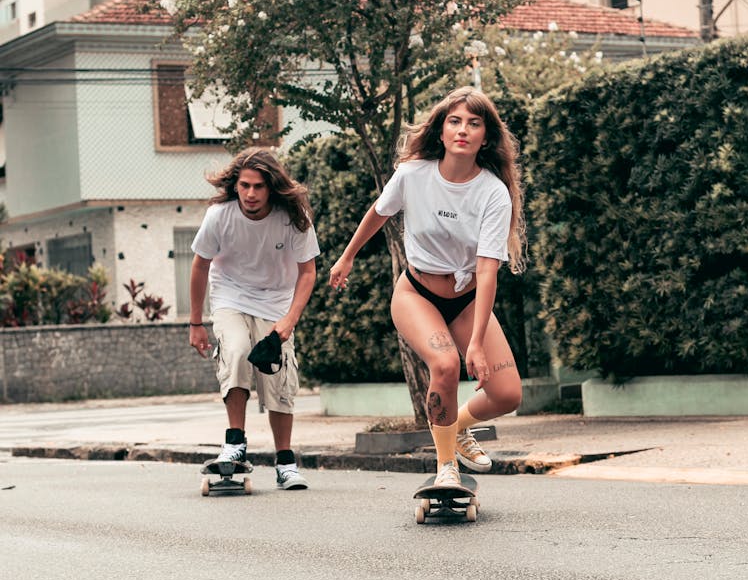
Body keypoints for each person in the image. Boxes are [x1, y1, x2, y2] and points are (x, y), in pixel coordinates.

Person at [329, 87, 524, 489]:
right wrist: (347, 256)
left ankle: (460, 429)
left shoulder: (492, 192)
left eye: (474, 123)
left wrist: (475, 342)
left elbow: (487, 271)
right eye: (454, 121)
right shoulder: (413, 174)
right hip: (417, 293)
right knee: (445, 365)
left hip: (468, 297)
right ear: (441, 130)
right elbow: (379, 212)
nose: (463, 130)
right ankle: (445, 466)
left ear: (485, 137)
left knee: (506, 395)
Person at [189, 148, 320, 490]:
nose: (249, 194)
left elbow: (308, 272)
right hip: (230, 296)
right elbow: (200, 265)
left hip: (276, 301)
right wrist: (195, 323)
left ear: (271, 188)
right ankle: (234, 444)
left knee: (277, 377)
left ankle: (285, 462)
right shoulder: (220, 215)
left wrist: (290, 319)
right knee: (235, 352)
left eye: (258, 186)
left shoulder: (293, 216)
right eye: (244, 185)